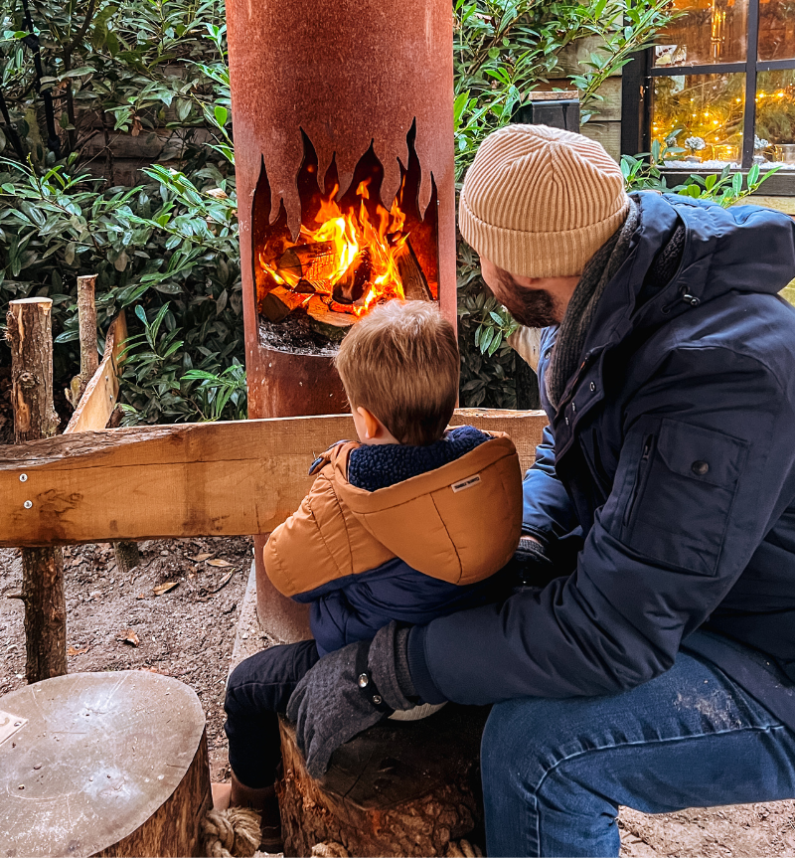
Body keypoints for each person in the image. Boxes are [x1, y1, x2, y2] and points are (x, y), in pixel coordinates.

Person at [286, 124, 795, 858]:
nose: (476, 268)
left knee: (539, 751)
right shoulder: (609, 291)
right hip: (710, 598)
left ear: (520, 269)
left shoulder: (718, 378)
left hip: (771, 656)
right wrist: (522, 539)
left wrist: (393, 666)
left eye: (480, 252)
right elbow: (565, 446)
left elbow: (609, 634)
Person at [220, 299, 523, 848]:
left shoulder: (355, 496)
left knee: (246, 686)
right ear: (452, 399)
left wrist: (332, 476)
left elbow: (284, 570)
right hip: (460, 662)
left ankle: (251, 808)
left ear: (364, 418)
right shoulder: (484, 465)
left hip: (373, 670)